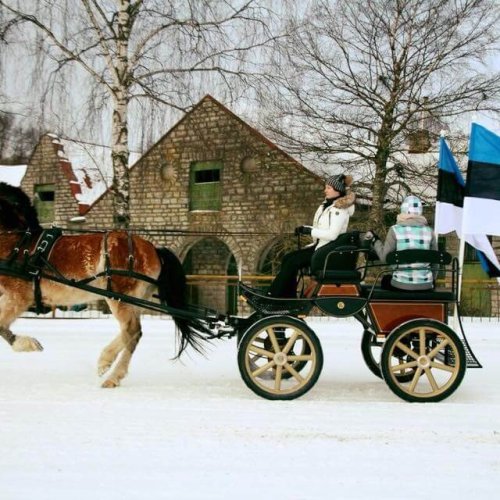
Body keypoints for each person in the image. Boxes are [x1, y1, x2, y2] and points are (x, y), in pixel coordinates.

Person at [268, 174, 356, 298]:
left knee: (292, 261)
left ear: (338, 190)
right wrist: (305, 228)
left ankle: (274, 295)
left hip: (327, 251)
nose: (325, 190)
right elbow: (321, 228)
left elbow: (332, 235)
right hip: (320, 247)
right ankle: (286, 296)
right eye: (326, 187)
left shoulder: (339, 210)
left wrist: (310, 231)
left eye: (328, 188)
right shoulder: (326, 206)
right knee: (288, 258)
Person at [365, 195, 437, 291]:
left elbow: (385, 258)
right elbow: (436, 261)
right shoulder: (430, 231)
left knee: (385, 280)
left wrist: (375, 240)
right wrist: (431, 280)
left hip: (400, 285)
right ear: (420, 211)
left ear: (403, 210)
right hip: (426, 285)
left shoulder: (395, 230)